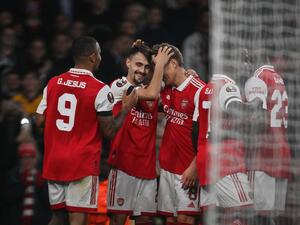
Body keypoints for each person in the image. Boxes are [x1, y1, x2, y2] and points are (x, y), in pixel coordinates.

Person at [35, 36, 137, 225]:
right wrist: (126, 108)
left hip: (54, 160)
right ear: (92, 57)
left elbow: (39, 120)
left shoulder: (53, 82)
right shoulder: (99, 89)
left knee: (57, 216)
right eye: (99, 54)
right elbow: (110, 131)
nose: (100, 58)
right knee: (77, 217)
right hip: (81, 162)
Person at [107, 40, 173, 225]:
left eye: (146, 67)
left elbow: (161, 93)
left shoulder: (149, 89)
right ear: (127, 63)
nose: (142, 70)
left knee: (145, 221)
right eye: (138, 64)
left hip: (147, 169)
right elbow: (152, 93)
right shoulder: (118, 86)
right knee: (117, 221)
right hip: (123, 167)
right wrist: (159, 63)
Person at [154, 43, 205, 225]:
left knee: (185, 219)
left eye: (161, 66)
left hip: (188, 169)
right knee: (170, 220)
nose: (157, 72)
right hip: (167, 167)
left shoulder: (200, 90)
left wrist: (195, 167)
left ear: (173, 63)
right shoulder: (165, 89)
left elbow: (208, 134)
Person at [196, 74, 256, 225]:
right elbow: (236, 108)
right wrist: (257, 101)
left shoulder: (202, 90)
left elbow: (195, 130)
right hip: (226, 163)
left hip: (206, 161)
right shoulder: (227, 85)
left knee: (215, 220)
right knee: (243, 214)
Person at [244, 64, 291, 225]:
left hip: (263, 157)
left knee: (257, 217)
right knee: (271, 218)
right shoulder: (278, 78)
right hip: (282, 156)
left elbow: (258, 120)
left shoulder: (260, 75)